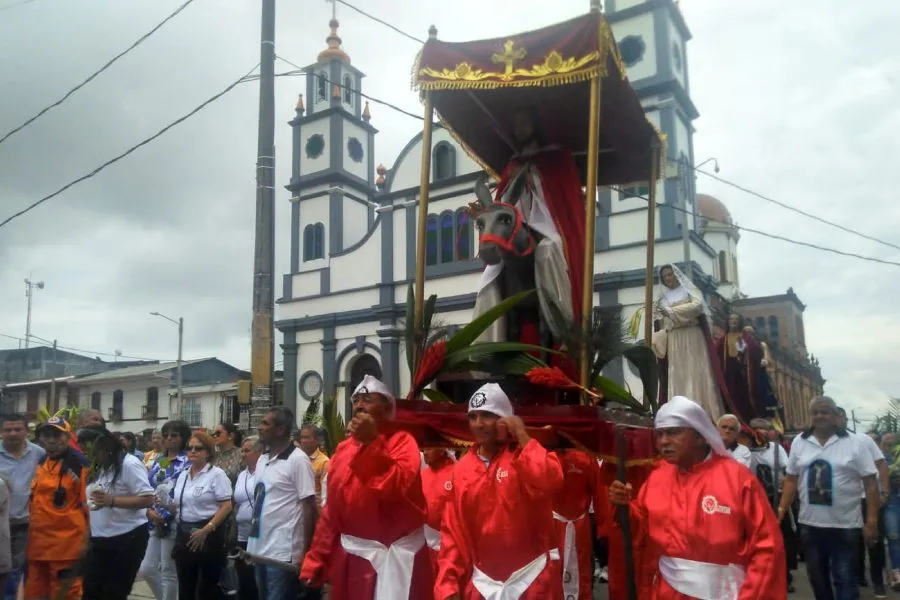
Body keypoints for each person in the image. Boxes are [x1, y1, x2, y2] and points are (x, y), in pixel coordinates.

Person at [609, 395, 786, 599]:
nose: (664, 441)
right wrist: (623, 506)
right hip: (664, 591)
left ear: (700, 437)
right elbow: (640, 531)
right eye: (659, 434)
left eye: (674, 432)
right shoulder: (657, 477)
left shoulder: (738, 479)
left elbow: (767, 547)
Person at [300, 375, 433, 599]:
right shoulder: (342, 450)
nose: (360, 405)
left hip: (399, 561)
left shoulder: (403, 443)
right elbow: (332, 511)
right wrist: (317, 557)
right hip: (353, 561)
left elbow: (394, 488)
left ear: (387, 408)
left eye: (368, 399)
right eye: (356, 400)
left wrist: (372, 442)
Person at [435, 383, 564, 600]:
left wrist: (522, 435)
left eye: (487, 415)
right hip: (484, 586)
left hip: (532, 582)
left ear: (505, 420)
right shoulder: (462, 470)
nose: (478, 424)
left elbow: (551, 480)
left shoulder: (524, 456)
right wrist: (448, 586)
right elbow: (453, 532)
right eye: (473, 417)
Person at [471, 107, 584, 351]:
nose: (519, 129)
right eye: (516, 124)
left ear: (535, 125)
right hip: (516, 223)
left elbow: (563, 193)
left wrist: (535, 178)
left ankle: (562, 317)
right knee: (492, 270)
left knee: (548, 248)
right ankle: (489, 338)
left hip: (547, 221)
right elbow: (503, 201)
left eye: (524, 123)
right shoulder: (513, 162)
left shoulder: (556, 157)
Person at [778, 396, 879, 600]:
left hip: (846, 525)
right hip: (810, 525)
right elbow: (791, 479)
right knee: (818, 579)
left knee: (845, 578)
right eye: (815, 412)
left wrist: (872, 521)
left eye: (824, 412)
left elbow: (870, 483)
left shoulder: (855, 443)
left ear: (836, 415)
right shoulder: (800, 441)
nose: (819, 416)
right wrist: (781, 509)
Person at [78, 426, 155, 600]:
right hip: (99, 540)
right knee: (90, 591)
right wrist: (86, 538)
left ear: (105, 446)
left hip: (127, 538)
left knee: (113, 593)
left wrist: (112, 501)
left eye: (92, 450)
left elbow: (148, 499)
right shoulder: (99, 466)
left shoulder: (129, 464)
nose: (89, 455)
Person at [248, 406, 316, 600]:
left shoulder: (298, 460)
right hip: (259, 551)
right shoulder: (262, 460)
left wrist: (306, 552)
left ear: (280, 429)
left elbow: (309, 507)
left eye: (265, 423)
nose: (259, 427)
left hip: (282, 553)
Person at [651, 263, 728, 419]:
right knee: (678, 373)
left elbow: (697, 306)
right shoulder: (662, 299)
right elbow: (661, 320)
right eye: (665, 276)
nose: (668, 278)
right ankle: (679, 412)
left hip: (692, 335)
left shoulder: (690, 291)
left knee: (696, 370)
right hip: (675, 338)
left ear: (676, 275)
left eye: (670, 274)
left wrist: (672, 311)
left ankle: (702, 409)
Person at [25, 416, 90, 600]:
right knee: (33, 594)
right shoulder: (41, 462)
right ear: (40, 439)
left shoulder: (79, 465)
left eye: (57, 435)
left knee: (66, 595)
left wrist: (86, 543)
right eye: (47, 435)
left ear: (68, 437)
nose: (51, 440)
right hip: (37, 547)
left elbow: (90, 509)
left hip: (66, 548)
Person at [170, 431, 233, 599]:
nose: (192, 451)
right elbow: (179, 506)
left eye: (198, 448)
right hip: (185, 534)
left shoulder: (216, 474)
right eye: (189, 448)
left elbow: (226, 506)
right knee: (185, 587)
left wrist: (207, 529)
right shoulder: (183, 475)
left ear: (208, 452)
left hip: (209, 536)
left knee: (207, 588)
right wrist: (163, 504)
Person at [835, 408, 889, 595]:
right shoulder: (827, 444)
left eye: (840, 416)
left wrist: (884, 490)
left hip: (868, 498)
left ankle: (878, 581)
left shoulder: (862, 439)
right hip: (845, 501)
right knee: (851, 541)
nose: (837, 420)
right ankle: (857, 577)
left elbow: (881, 463)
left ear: (845, 418)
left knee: (874, 540)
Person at [139, 419, 192, 600]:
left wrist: (167, 514)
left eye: (174, 435)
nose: (169, 439)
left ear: (183, 438)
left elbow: (185, 491)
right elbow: (148, 487)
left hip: (174, 519)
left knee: (168, 570)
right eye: (166, 435)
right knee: (147, 569)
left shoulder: (187, 461)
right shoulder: (159, 460)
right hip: (154, 518)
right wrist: (149, 511)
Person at [748, 417, 798, 594]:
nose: (760, 432)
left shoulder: (777, 450)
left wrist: (786, 497)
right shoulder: (744, 451)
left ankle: (784, 577)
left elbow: (788, 474)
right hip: (753, 502)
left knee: (782, 540)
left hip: (775, 500)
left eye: (764, 429)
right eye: (756, 429)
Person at [0, 414, 44, 599]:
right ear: (1, 432)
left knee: (17, 568)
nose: (13, 433)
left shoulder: (39, 454)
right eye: (8, 429)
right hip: (1, 524)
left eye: (18, 429)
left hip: (26, 522)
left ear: (26, 431)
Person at [551, 448, 604, 600]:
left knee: (577, 565)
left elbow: (599, 494)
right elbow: (600, 495)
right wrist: (603, 526)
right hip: (560, 523)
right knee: (570, 566)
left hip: (575, 524)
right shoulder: (587, 458)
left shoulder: (548, 458)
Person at [714, 313, 781, 423]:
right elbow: (715, 355)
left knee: (745, 398)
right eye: (731, 319)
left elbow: (755, 350)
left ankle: (749, 419)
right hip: (729, 375)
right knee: (730, 398)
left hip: (745, 374)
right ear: (728, 322)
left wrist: (745, 351)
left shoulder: (746, 338)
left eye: (736, 319)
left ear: (740, 322)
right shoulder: (722, 340)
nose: (734, 321)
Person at [234, 436, 263, 600]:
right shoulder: (241, 475)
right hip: (242, 535)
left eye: (247, 451)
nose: (243, 454)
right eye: (242, 451)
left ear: (259, 451)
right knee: (244, 580)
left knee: (257, 582)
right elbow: (237, 503)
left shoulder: (265, 472)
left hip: (260, 535)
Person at [420, 447, 455, 574]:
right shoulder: (422, 475)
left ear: (442, 450)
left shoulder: (457, 473)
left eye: (429, 448)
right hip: (426, 544)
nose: (425, 452)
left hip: (451, 546)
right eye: (424, 449)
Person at [297, 425, 330, 510]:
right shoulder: (296, 459)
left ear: (317, 440)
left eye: (307, 437)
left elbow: (325, 492)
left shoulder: (324, 462)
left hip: (314, 509)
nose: (303, 441)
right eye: (302, 437)